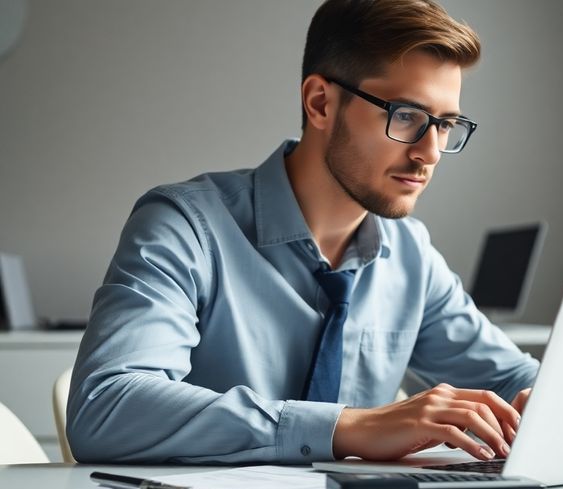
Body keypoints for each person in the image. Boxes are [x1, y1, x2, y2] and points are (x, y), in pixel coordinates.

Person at [67, 0, 538, 464]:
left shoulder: (410, 254)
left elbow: (519, 381)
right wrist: (349, 428)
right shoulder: (185, 225)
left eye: (445, 124)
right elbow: (105, 407)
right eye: (407, 116)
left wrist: (561, 400)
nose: (430, 153)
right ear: (320, 103)